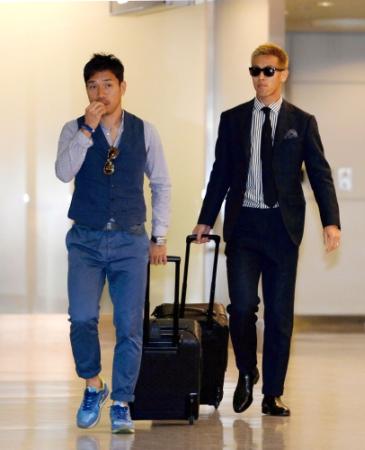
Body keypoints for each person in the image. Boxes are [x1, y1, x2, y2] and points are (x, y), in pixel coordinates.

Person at [193, 43, 341, 416]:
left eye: (268, 71)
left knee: (279, 315)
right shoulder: (233, 120)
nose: (261, 78)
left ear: (283, 74)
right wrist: (206, 218)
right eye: (255, 71)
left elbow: (320, 174)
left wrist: (331, 221)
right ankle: (247, 371)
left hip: (282, 227)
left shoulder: (301, 122)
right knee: (242, 307)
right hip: (244, 226)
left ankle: (273, 393)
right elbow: (220, 174)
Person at [55, 53, 170, 433]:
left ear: (122, 87)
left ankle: (121, 401)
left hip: (129, 240)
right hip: (85, 240)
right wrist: (87, 131)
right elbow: (63, 172)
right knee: (82, 318)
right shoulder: (73, 129)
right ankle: (93, 385)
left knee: (128, 325)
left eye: (107, 84)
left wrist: (159, 236)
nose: (100, 92)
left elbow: (161, 184)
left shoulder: (145, 131)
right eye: (92, 86)